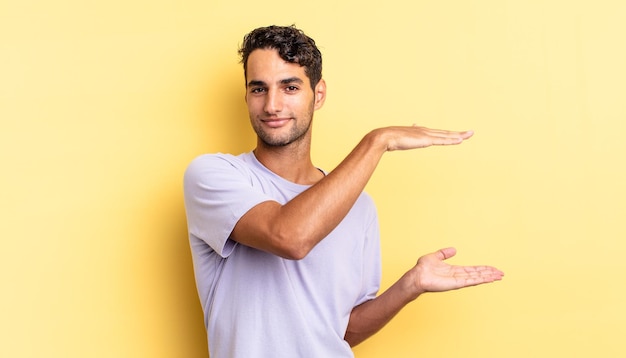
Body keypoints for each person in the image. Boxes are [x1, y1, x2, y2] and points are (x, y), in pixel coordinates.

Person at [183, 25, 504, 358]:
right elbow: (289, 237)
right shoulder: (213, 175)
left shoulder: (359, 206)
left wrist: (411, 284)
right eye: (258, 89)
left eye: (290, 87)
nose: (272, 105)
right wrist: (377, 141)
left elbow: (342, 328)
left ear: (318, 94)